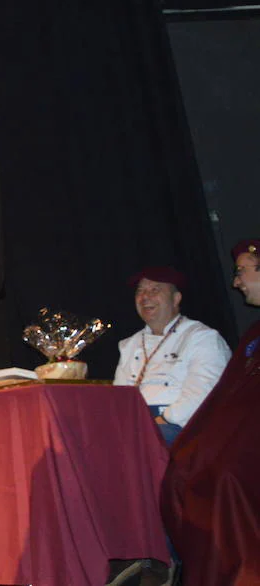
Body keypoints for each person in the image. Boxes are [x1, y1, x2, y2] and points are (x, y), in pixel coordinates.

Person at [161, 240, 260, 582]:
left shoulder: (202, 337)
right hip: (239, 433)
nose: (236, 282)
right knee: (181, 471)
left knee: (225, 477)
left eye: (242, 272)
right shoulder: (254, 334)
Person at [111, 266, 229, 446]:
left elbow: (202, 394)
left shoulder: (202, 337)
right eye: (140, 291)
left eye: (155, 290)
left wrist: (164, 420)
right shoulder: (129, 344)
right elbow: (119, 396)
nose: (145, 297)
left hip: (181, 424)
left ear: (176, 299)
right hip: (136, 421)